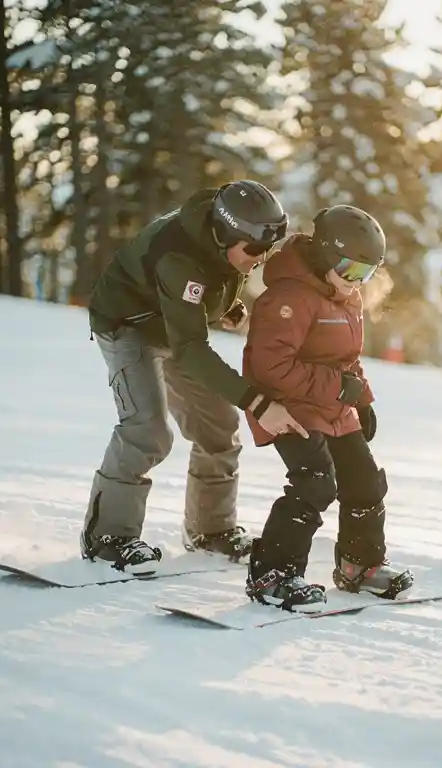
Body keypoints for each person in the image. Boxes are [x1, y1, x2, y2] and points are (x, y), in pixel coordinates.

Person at [81, 180, 310, 575]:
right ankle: (107, 537)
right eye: (254, 250)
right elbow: (190, 348)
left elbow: (210, 281)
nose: (259, 259)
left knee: (219, 426)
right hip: (129, 326)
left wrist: (224, 305)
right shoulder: (179, 257)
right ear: (225, 234)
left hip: (174, 325)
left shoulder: (224, 237)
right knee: (147, 430)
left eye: (266, 250)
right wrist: (257, 401)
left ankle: (211, 531)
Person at [239, 204, 414, 612]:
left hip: (334, 405)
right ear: (324, 254)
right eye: (351, 270)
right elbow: (269, 366)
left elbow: (348, 358)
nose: (357, 282)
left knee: (365, 483)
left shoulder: (345, 296)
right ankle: (273, 573)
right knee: (315, 483)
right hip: (287, 406)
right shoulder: (289, 298)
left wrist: (363, 399)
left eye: (366, 274)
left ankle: (360, 566)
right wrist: (341, 388)